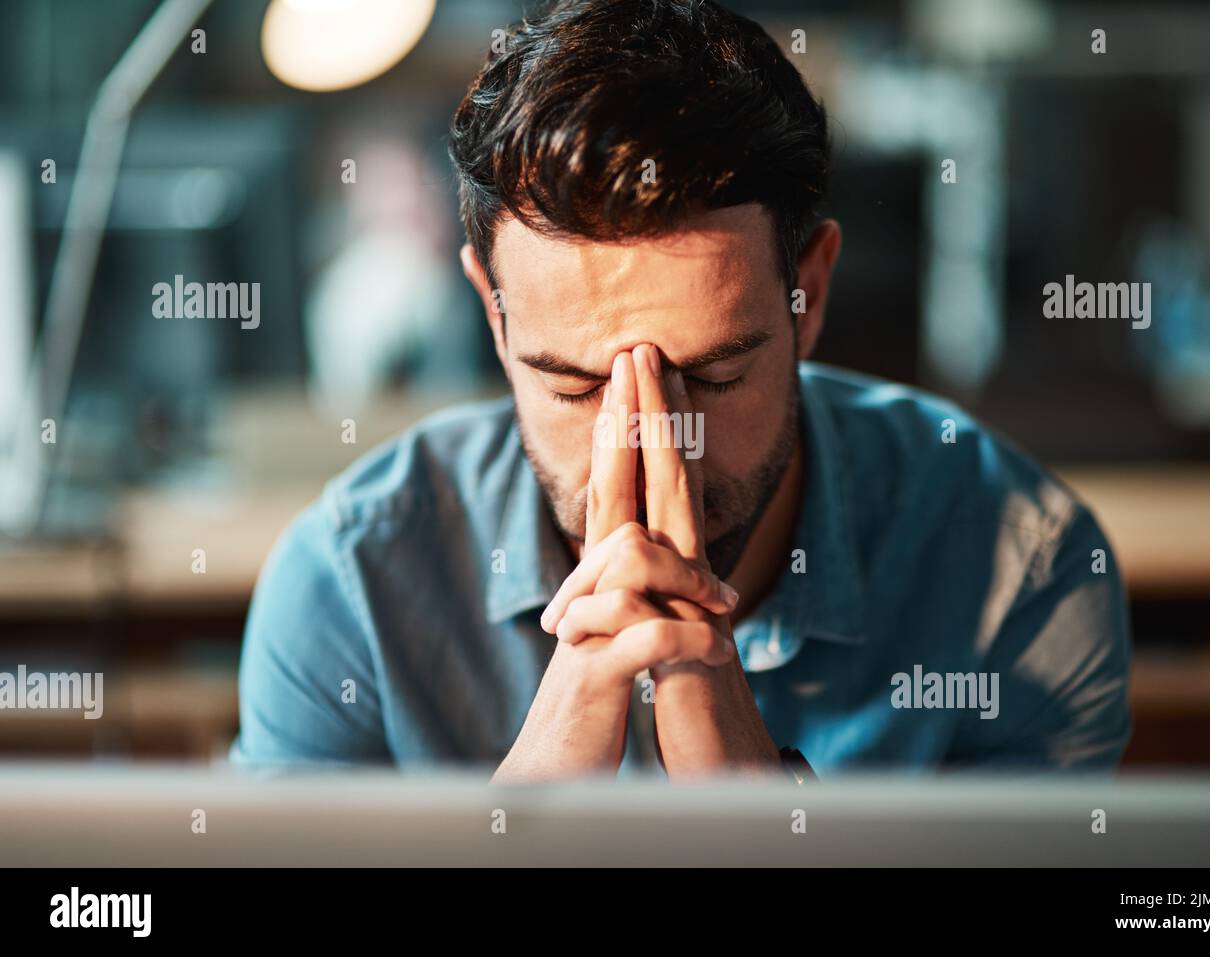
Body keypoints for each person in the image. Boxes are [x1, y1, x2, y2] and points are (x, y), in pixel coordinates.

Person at [231, 0, 1131, 781]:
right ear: (496, 322)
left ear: (807, 297)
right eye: (575, 385)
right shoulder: (350, 584)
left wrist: (754, 809)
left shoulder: (1019, 567)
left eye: (712, 374)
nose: (650, 438)